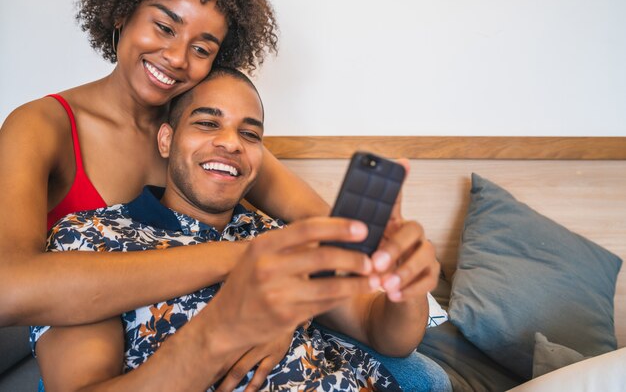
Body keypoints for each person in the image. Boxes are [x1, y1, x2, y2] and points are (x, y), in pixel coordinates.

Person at [31, 68, 447, 392]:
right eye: (208, 123)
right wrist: (224, 330)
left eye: (249, 134)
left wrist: (404, 290)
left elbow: (382, 331)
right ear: (165, 140)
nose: (231, 143)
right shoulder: (88, 239)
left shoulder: (274, 232)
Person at [0, 0, 329, 332]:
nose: (176, 58)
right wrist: (237, 257)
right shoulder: (40, 126)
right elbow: (9, 290)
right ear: (121, 14)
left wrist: (291, 314)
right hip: (65, 336)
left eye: (202, 49)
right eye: (164, 27)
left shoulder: (202, 141)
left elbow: (328, 228)